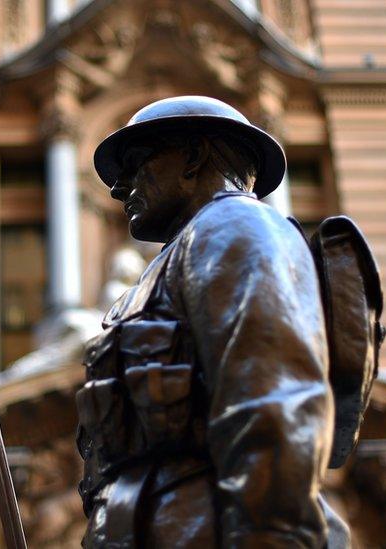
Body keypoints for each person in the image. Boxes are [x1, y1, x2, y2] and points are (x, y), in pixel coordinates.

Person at [76, 96, 346, 548]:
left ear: (194, 156)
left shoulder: (234, 226)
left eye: (138, 163)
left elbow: (274, 405)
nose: (120, 188)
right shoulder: (178, 255)